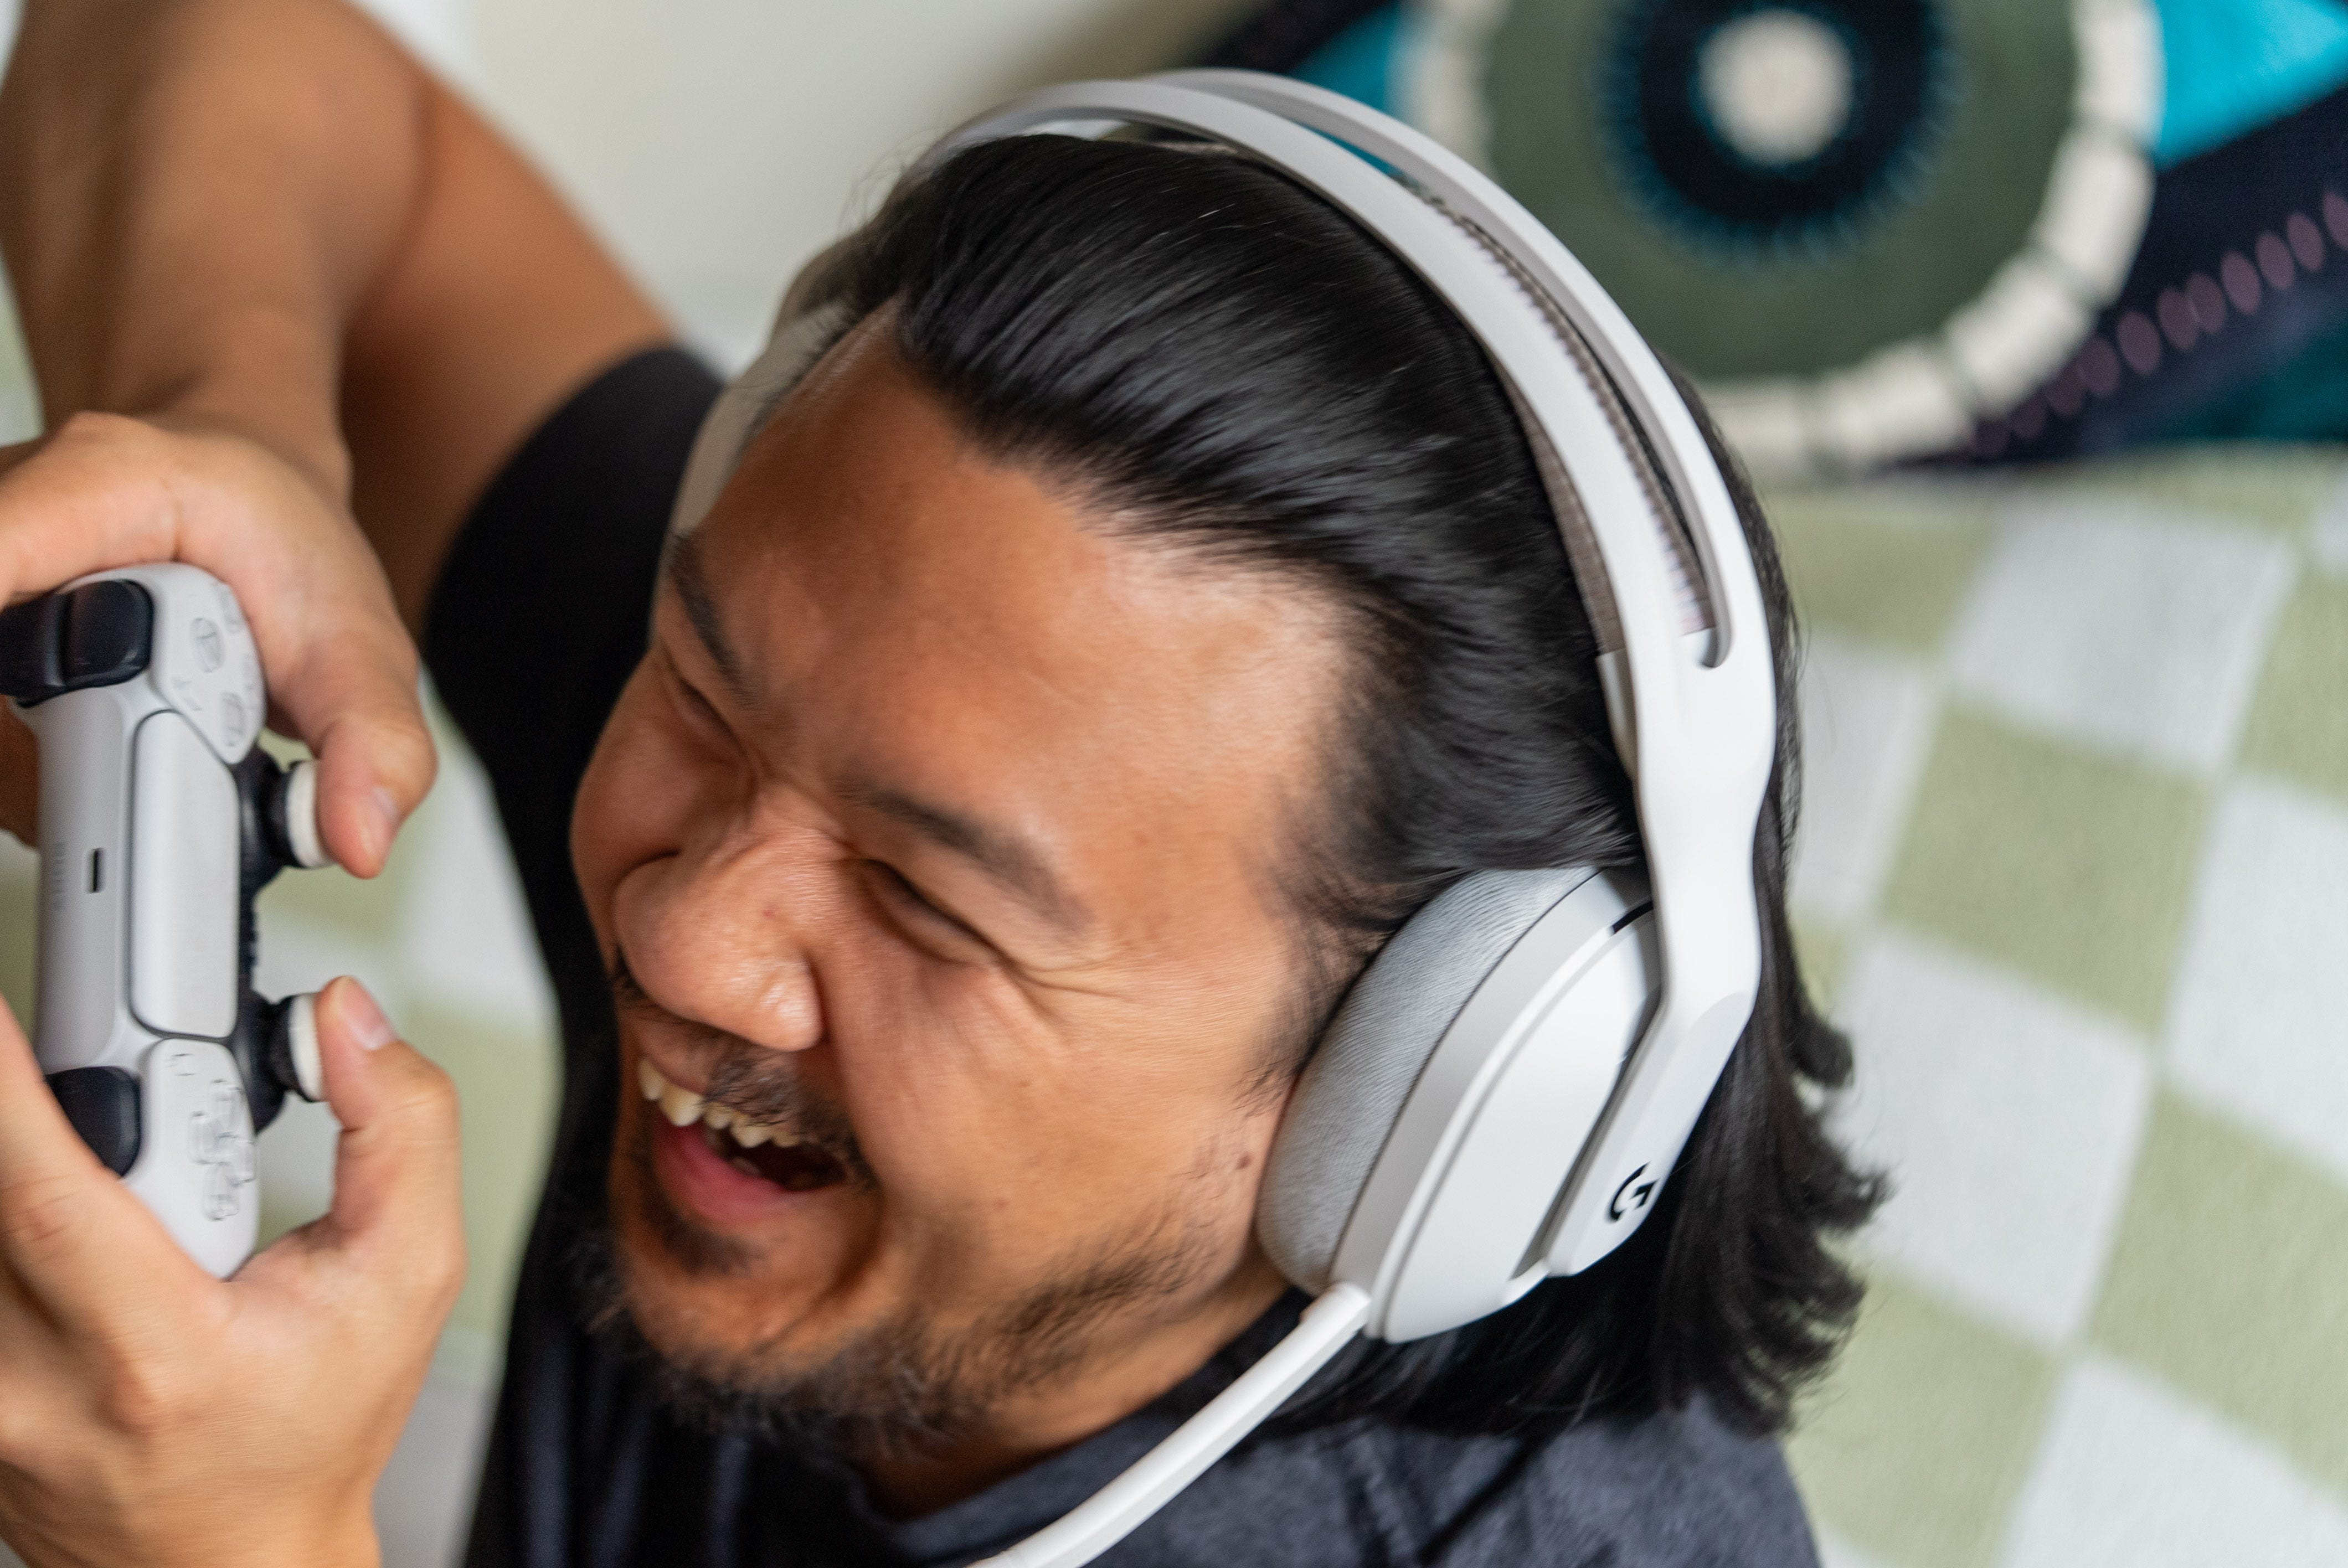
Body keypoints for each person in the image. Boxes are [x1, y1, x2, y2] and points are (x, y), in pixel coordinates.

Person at [0, 3, 1878, 1564]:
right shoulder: (835, 710)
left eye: (924, 899)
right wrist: (227, 429)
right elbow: (204, 41)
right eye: (699, 694)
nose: (686, 935)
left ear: (1421, 1107)